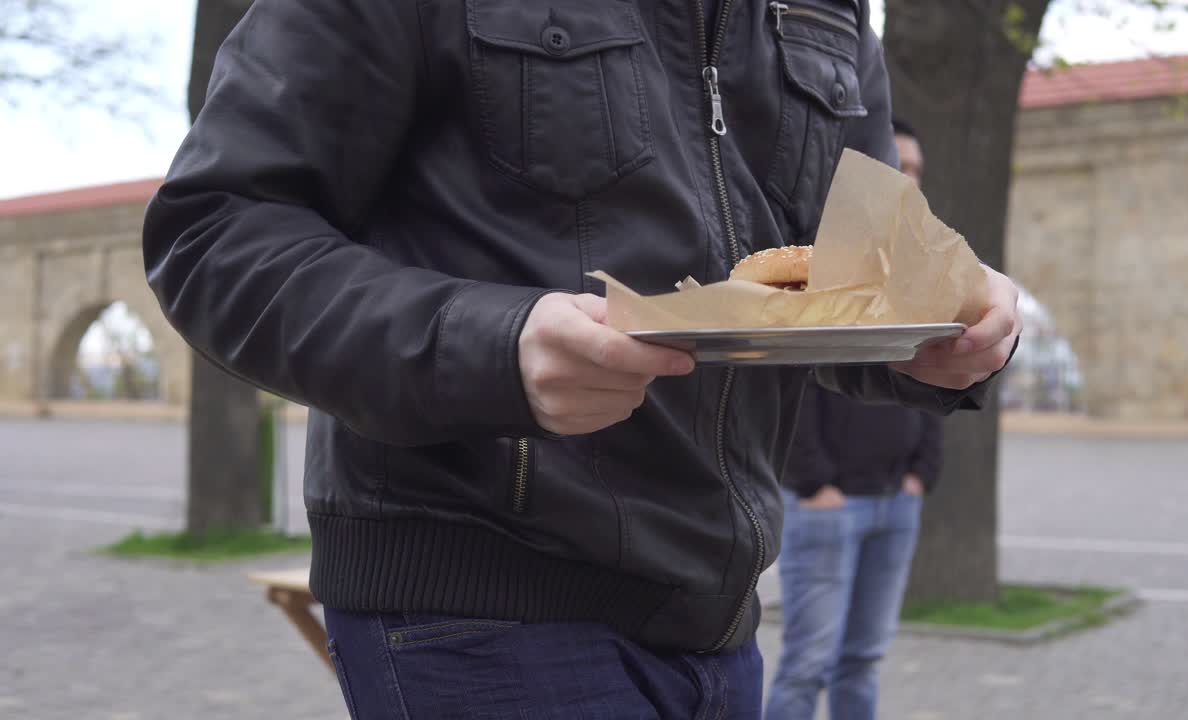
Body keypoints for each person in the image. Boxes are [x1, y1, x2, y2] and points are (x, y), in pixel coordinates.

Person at [142, 2, 1020, 717]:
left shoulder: (826, 12)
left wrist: (941, 332)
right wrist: (492, 346)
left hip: (721, 618)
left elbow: (846, 277)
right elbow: (216, 233)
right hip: (479, 605)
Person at [765, 118, 940, 720]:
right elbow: (790, 378)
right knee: (806, 666)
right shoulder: (816, 263)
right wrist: (814, 485)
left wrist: (922, 472)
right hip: (827, 506)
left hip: (898, 501)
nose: (910, 180)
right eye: (898, 165)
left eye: (917, 170)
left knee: (863, 660)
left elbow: (934, 373)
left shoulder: (920, 271)